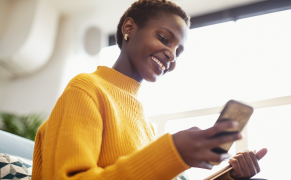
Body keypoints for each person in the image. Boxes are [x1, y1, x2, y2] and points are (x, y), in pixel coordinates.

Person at [32, 0, 267, 179]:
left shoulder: (145, 124)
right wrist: (173, 152)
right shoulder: (86, 89)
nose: (171, 56)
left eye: (178, 52)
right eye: (164, 38)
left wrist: (228, 175)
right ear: (129, 28)